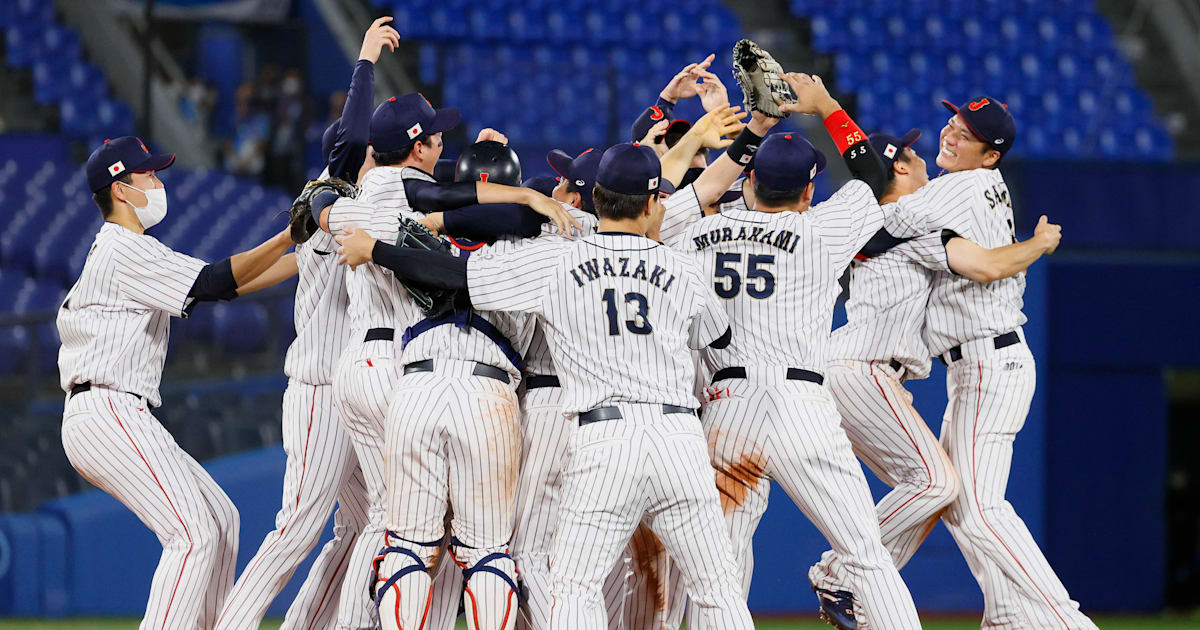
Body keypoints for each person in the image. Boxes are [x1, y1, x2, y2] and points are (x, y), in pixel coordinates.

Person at [335, 143, 755, 629]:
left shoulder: (558, 256)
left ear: (594, 196)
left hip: (602, 438)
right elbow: (718, 336)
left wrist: (380, 249)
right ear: (649, 204)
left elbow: (456, 274)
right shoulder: (683, 269)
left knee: (573, 589)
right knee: (717, 590)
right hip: (677, 438)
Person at [822, 96, 1096, 630]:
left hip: (988, 363)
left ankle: (1063, 621)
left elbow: (899, 227)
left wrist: (831, 113)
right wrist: (1035, 244)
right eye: (952, 123)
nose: (949, 135)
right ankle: (1010, 616)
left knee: (977, 508)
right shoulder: (967, 191)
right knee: (958, 502)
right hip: (977, 365)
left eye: (964, 133)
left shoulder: (960, 188)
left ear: (989, 156)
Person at [58, 135, 295, 630]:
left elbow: (228, 287)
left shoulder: (135, 249)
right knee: (193, 534)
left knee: (222, 520)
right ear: (121, 189)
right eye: (149, 174)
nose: (159, 181)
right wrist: (289, 235)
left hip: (120, 411)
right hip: (105, 410)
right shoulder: (121, 250)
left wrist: (308, 256)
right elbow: (214, 282)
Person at [212, 17, 399, 630]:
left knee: (368, 526)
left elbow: (293, 260)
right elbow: (350, 141)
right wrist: (365, 61)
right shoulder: (330, 196)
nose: (375, 150)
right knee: (296, 528)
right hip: (321, 389)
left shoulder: (355, 208)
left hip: (352, 389)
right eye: (368, 146)